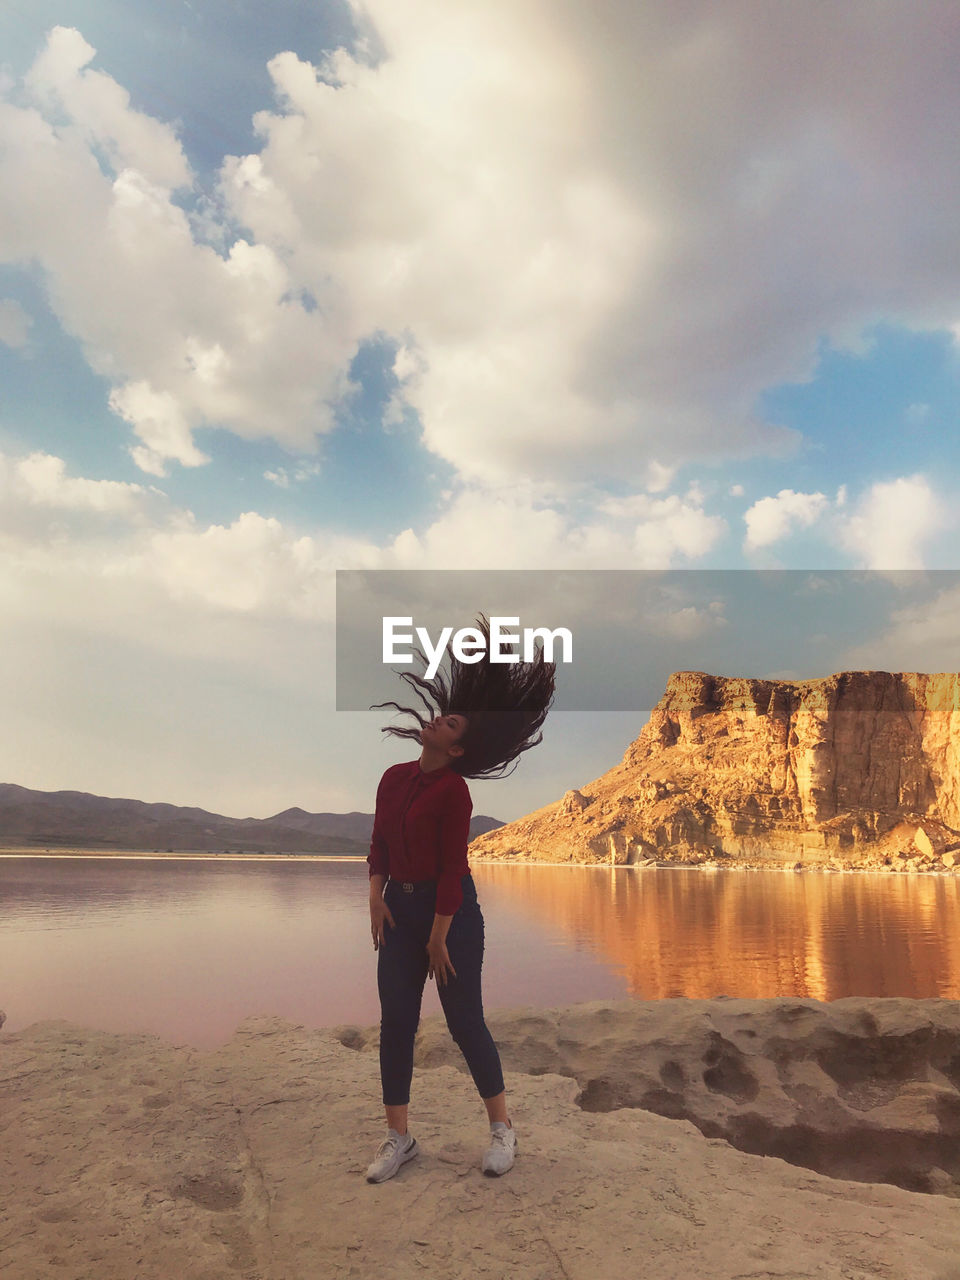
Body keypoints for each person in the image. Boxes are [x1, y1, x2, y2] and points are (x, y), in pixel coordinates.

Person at [365, 613, 556, 1184]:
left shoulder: (454, 791)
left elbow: (454, 868)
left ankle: (503, 1129)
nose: (433, 721)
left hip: (451, 916)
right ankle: (400, 1139)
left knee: (464, 1020)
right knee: (395, 1021)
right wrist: (376, 899)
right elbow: (377, 845)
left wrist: (438, 937)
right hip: (399, 910)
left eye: (447, 722)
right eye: (439, 716)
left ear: (457, 748)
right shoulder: (393, 778)